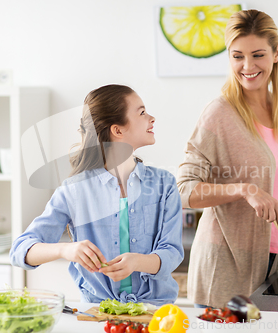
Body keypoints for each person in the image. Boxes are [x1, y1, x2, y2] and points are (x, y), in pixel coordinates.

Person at [176, 9, 278, 308]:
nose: (247, 66)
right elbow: (183, 190)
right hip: (225, 267)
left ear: (277, 53)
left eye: (257, 55)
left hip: (273, 261)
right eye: (237, 56)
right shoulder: (219, 114)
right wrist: (244, 189)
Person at [10, 84, 184, 305]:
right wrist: (66, 249)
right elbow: (20, 251)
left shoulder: (164, 183)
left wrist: (137, 262)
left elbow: (172, 253)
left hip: (156, 312)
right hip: (97, 314)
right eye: (141, 112)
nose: (151, 118)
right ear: (117, 130)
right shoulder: (74, 190)